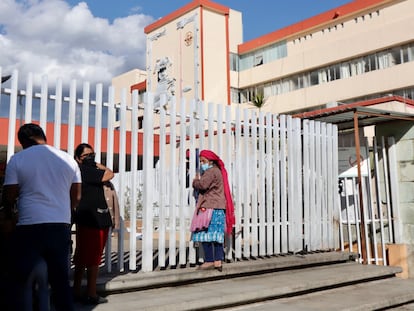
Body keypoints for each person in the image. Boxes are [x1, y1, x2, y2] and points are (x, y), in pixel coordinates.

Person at [1, 123, 82, 311]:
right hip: (60, 226)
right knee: (61, 283)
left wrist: (8, 215)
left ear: (24, 141)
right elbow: (77, 196)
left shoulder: (18, 159)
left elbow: (9, 195)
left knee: (20, 281)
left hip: (29, 226)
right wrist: (62, 209)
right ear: (42, 136)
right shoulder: (68, 159)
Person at [72, 143, 114, 305]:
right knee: (92, 258)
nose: (90, 157)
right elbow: (109, 174)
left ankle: (77, 290)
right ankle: (91, 293)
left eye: (92, 154)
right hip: (92, 219)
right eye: (86, 155)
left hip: (93, 217)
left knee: (83, 257)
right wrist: (96, 163)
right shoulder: (84, 170)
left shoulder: (82, 171)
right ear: (78, 158)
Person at [191, 150, 235, 271]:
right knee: (217, 235)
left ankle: (209, 260)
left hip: (210, 207)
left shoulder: (210, 172)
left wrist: (195, 181)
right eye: (200, 161)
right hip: (218, 207)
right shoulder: (218, 171)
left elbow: (203, 185)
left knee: (205, 233)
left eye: (203, 161)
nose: (201, 164)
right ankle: (218, 261)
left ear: (210, 161)